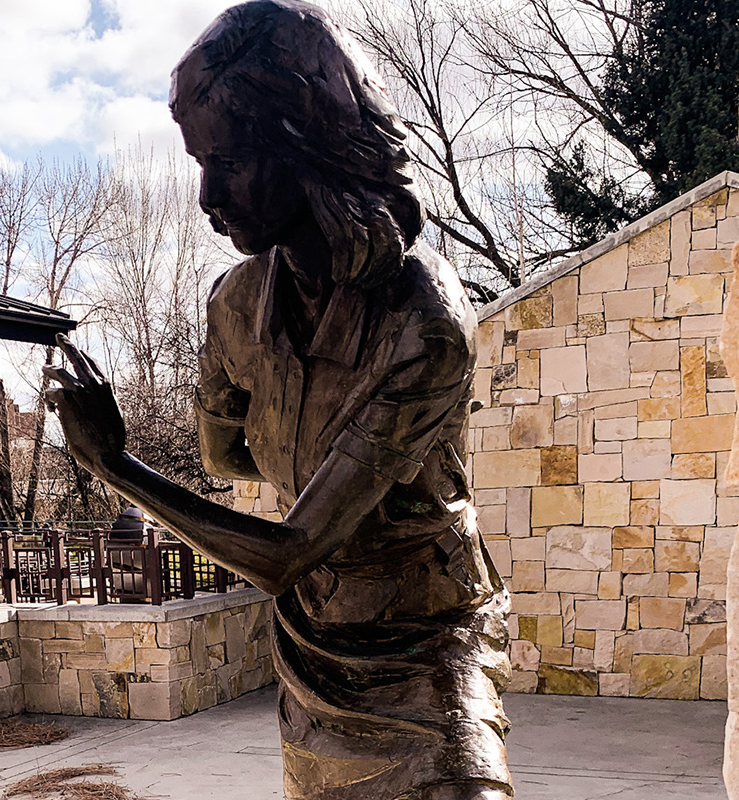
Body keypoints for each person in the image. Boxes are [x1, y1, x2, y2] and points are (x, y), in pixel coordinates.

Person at [44, 2, 512, 797]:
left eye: (228, 162)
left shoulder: (424, 324)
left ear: (307, 145)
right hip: (314, 637)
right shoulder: (234, 302)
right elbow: (223, 456)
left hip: (425, 642)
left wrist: (113, 463)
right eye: (199, 163)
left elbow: (286, 551)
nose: (206, 196)